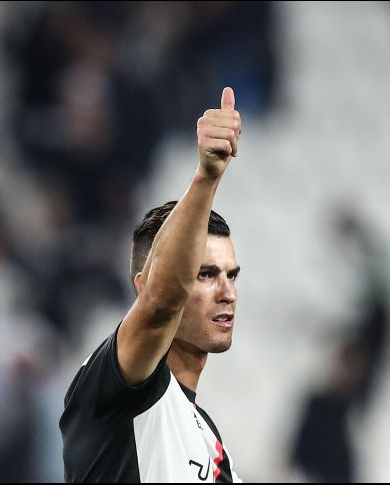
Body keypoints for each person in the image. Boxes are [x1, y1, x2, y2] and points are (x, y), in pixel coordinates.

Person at [59, 87, 243, 482]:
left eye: (231, 275)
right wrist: (206, 177)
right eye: (206, 274)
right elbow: (162, 303)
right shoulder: (118, 385)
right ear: (142, 286)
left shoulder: (211, 443)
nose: (227, 291)